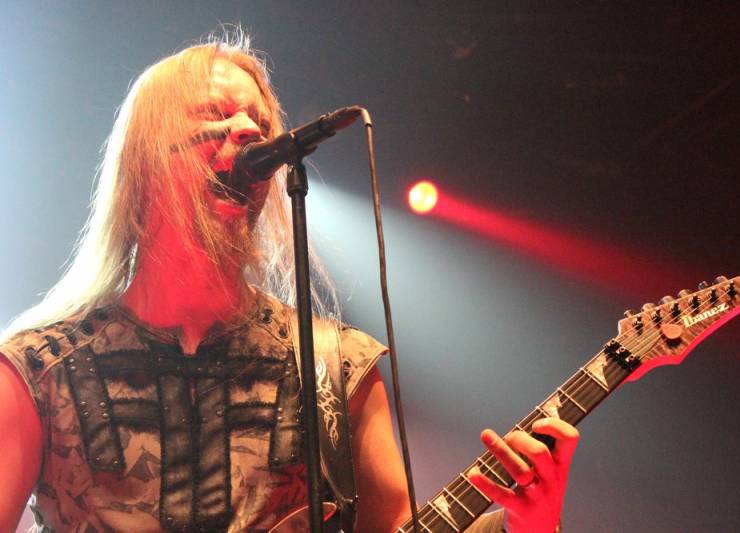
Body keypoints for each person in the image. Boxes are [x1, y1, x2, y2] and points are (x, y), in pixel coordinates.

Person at [0, 34, 579, 532]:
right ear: (146, 156)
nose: (248, 131)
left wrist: (528, 524)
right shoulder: (37, 369)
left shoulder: (336, 365)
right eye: (215, 115)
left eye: (260, 122)